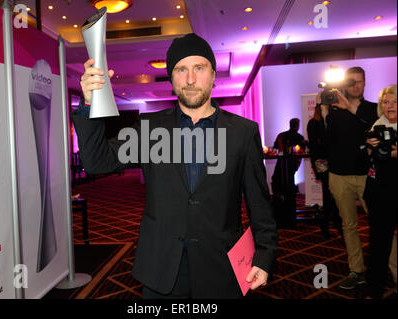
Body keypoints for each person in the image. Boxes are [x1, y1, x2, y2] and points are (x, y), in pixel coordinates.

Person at [71, 33, 277, 299]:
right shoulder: (149, 128)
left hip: (221, 268)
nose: (190, 79)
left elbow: (259, 202)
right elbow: (97, 162)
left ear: (214, 74)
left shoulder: (242, 132)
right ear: (171, 78)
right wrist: (89, 104)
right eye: (181, 69)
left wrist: (265, 255)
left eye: (199, 68)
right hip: (162, 269)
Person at [320, 66, 378, 290]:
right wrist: (324, 113)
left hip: (367, 176)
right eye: (351, 81)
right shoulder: (334, 111)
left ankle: (392, 270)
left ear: (365, 83)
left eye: (359, 81)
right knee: (349, 226)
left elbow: (374, 129)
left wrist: (350, 108)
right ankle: (357, 271)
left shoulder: (373, 109)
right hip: (339, 176)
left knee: (382, 224)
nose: (355, 85)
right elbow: (324, 142)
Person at [363, 85, 397, 299]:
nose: (390, 106)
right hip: (380, 192)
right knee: (378, 244)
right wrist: (370, 146)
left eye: (395, 102)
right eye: (386, 102)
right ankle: (374, 289)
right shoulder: (377, 126)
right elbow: (370, 158)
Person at [307, 102, 341, 237]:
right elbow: (315, 146)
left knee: (335, 194)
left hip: (333, 162)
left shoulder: (331, 122)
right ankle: (326, 225)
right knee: (328, 194)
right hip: (322, 163)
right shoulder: (313, 123)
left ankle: (333, 222)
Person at [271, 118, 305, 228]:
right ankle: (289, 217)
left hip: (281, 165)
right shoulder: (300, 138)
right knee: (289, 188)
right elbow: (301, 153)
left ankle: (279, 213)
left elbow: (276, 148)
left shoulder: (281, 135)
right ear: (297, 126)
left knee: (276, 183)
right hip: (291, 166)